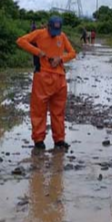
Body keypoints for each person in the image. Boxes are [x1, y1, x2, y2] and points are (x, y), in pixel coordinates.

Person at [16, 16, 77, 150]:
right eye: (53, 30)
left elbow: (73, 53)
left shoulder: (62, 36)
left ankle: (59, 140)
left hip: (59, 78)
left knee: (58, 111)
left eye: (57, 30)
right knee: (38, 110)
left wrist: (60, 59)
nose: (55, 34)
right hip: (42, 77)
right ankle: (38, 140)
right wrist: (38, 52)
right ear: (48, 27)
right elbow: (21, 41)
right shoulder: (39, 34)